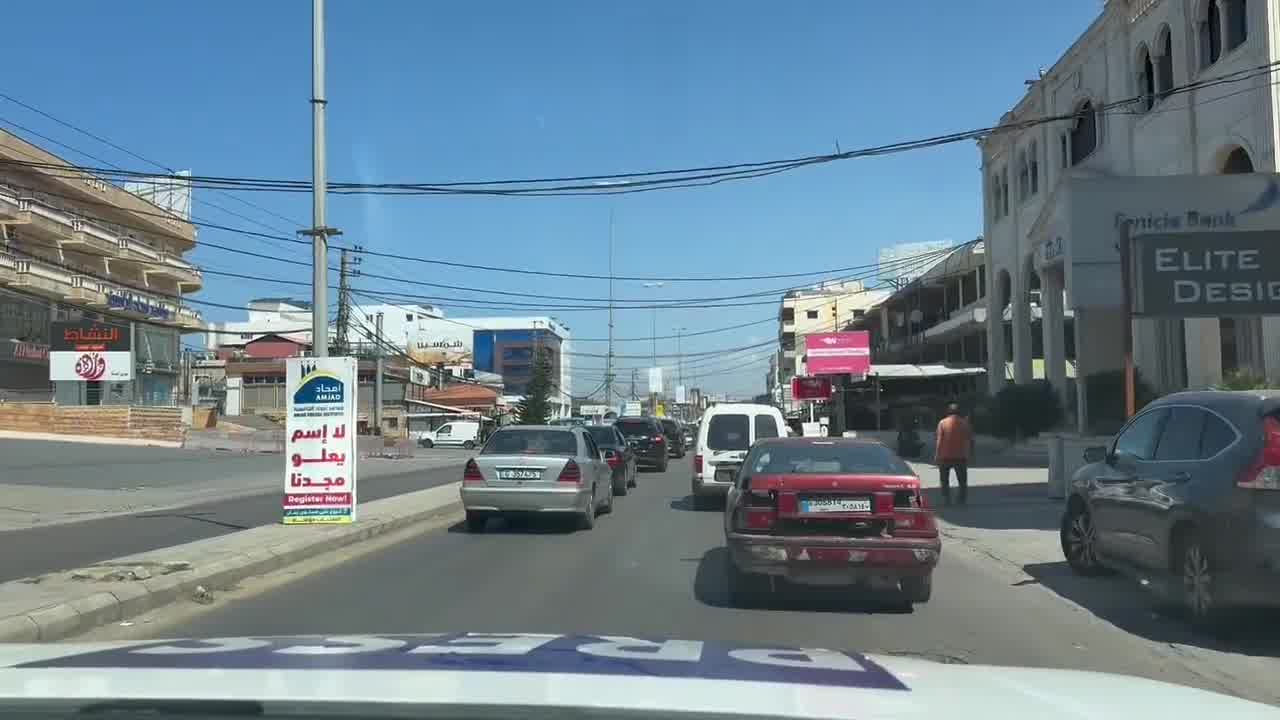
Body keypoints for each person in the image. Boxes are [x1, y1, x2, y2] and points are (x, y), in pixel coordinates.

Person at [934, 403, 974, 505]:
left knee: (944, 479)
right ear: (959, 412)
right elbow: (969, 440)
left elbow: (939, 440)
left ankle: (947, 498)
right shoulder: (965, 423)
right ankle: (961, 499)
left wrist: (937, 454)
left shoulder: (942, 423)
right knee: (962, 480)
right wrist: (969, 454)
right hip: (960, 456)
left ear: (948, 412)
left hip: (945, 456)